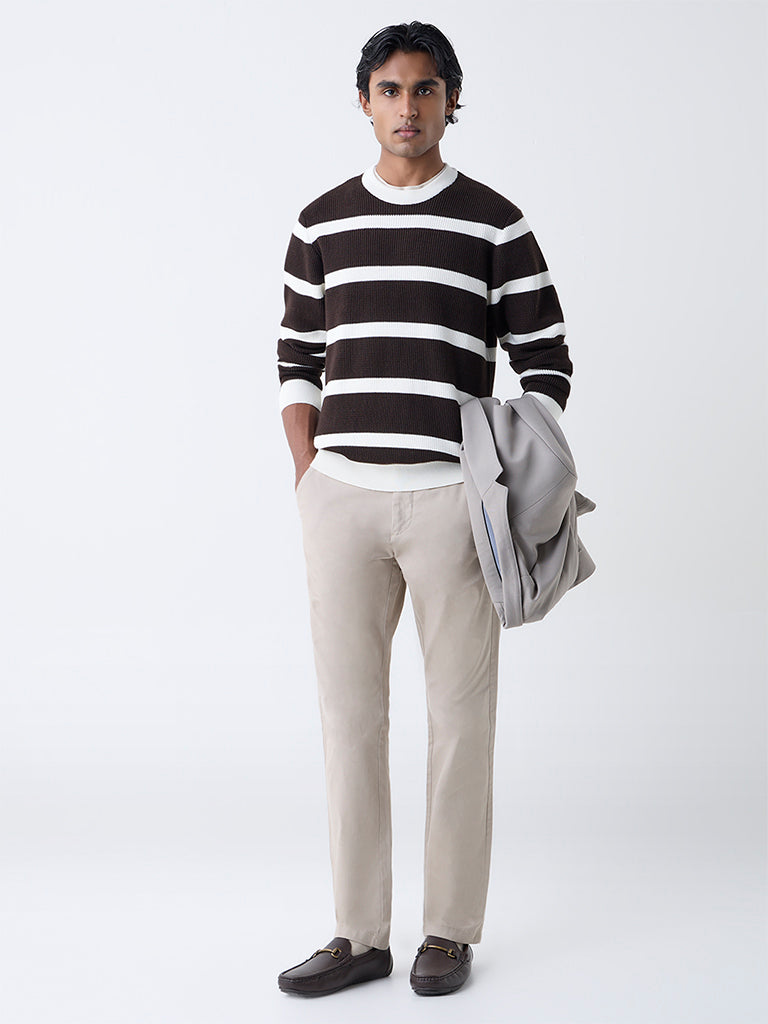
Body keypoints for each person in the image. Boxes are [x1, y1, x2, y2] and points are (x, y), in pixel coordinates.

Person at [275, 20, 573, 998]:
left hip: (452, 505)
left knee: (461, 720)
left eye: (426, 88)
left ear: (451, 100)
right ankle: (359, 934)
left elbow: (546, 359)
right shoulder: (321, 222)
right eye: (391, 89)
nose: (409, 106)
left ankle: (448, 929)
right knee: (350, 721)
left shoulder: (494, 222)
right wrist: (310, 474)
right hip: (343, 505)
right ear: (364, 101)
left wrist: (506, 468)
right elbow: (296, 359)